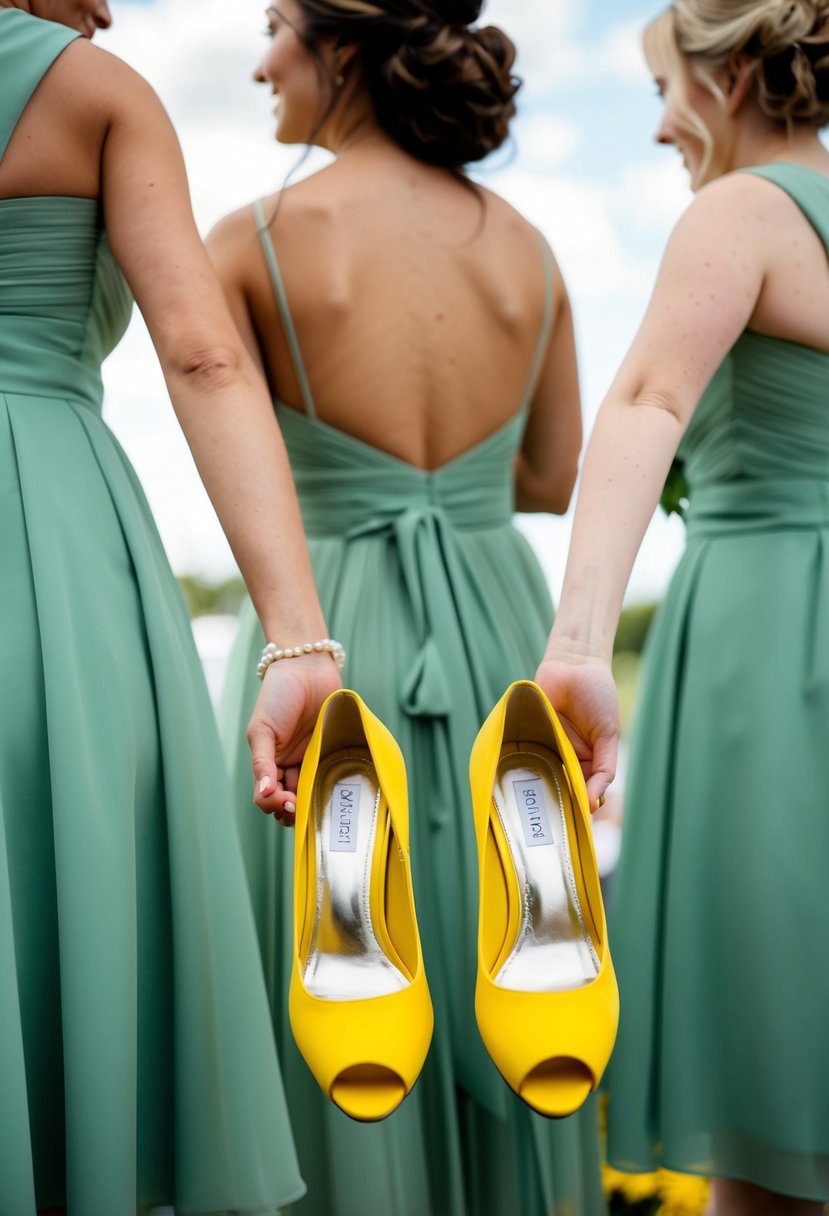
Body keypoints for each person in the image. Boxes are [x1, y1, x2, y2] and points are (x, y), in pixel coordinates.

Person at [210, 2, 604, 1213]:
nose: (260, 55)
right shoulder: (530, 249)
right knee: (532, 959)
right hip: (500, 634)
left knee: (340, 971)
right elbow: (548, 475)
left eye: (276, 23)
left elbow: (229, 445)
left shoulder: (252, 240)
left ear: (341, 47)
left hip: (324, 629)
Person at [0, 1, 343, 1212]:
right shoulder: (95, 91)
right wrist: (296, 633)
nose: (103, 9)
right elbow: (200, 354)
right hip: (44, 540)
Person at [534, 1, 829, 1213]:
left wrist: (576, 644)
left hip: (764, 653)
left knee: (763, 1119)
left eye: (670, 87)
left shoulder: (741, 212)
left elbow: (651, 395)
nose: (659, 125)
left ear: (742, 72)